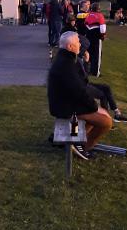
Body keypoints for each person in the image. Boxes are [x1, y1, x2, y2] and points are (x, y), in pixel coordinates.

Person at [47, 31, 113, 160]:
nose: (80, 44)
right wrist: (95, 107)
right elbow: (79, 91)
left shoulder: (67, 59)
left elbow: (83, 83)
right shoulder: (67, 64)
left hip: (67, 102)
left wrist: (86, 63)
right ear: (70, 47)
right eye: (78, 42)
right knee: (106, 122)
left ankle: (77, 142)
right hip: (65, 107)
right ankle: (84, 147)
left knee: (98, 115)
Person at [84, 2, 107, 77]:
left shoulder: (88, 15)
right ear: (98, 9)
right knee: (97, 55)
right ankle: (96, 72)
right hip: (96, 38)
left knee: (89, 54)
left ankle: (88, 70)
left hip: (88, 37)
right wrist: (103, 36)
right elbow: (103, 28)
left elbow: (85, 24)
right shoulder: (100, 16)